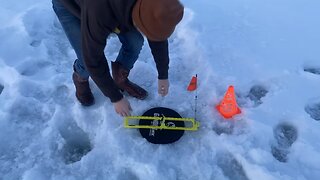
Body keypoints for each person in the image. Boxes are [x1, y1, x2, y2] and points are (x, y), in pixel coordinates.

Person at [52, 0, 184, 117]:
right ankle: (80, 77)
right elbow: (93, 59)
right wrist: (116, 98)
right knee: (86, 59)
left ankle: (120, 78)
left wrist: (163, 75)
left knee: (135, 41)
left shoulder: (155, 4)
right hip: (70, 6)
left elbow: (157, 33)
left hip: (116, 8)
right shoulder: (100, 10)